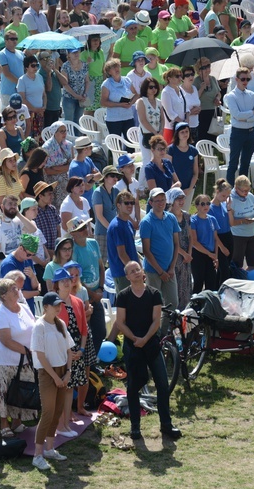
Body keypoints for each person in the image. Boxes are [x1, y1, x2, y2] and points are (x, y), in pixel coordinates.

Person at [115, 260, 182, 441]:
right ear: (127, 277)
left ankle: (166, 425)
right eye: (132, 271)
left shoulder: (154, 294)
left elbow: (156, 321)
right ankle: (135, 426)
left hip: (151, 344)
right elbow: (120, 322)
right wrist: (134, 339)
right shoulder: (123, 296)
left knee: (162, 384)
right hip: (132, 346)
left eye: (138, 269)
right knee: (133, 387)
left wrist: (145, 339)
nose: (136, 272)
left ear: (142, 272)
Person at [30, 291, 74, 470]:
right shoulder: (39, 326)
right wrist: (55, 377)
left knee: (57, 412)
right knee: (48, 412)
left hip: (63, 371)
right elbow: (39, 355)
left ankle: (49, 449)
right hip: (48, 373)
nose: (58, 307)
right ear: (45, 307)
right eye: (55, 305)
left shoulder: (61, 324)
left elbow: (69, 350)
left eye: (60, 304)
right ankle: (37, 455)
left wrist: (68, 371)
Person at [0, 278, 38, 437]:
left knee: (21, 391)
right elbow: (6, 340)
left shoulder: (25, 308)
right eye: (13, 289)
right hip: (5, 362)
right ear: (3, 295)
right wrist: (27, 351)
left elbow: (33, 327)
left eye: (16, 288)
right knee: (5, 393)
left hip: (25, 361)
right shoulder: (1, 314)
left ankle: (17, 421)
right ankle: (4, 424)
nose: (17, 290)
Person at [140, 185, 180, 324]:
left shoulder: (171, 218)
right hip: (153, 270)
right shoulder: (146, 222)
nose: (161, 203)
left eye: (163, 199)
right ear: (150, 202)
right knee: (154, 305)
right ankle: (154, 335)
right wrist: (160, 271)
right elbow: (146, 250)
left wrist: (171, 268)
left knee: (173, 303)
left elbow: (176, 244)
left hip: (169, 270)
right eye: (157, 200)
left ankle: (165, 334)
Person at [67, 216, 106, 356]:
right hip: (82, 296)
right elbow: (76, 277)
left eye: (85, 226)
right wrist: (92, 294)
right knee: (85, 332)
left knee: (101, 331)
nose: (85, 230)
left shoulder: (93, 243)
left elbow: (101, 267)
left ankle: (92, 360)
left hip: (97, 294)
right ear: (73, 234)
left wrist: (100, 288)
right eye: (81, 228)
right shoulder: (73, 250)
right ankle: (87, 362)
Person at [224, 67, 254, 185]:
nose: (245, 81)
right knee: (233, 163)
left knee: (246, 163)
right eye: (243, 79)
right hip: (238, 132)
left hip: (251, 132)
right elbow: (236, 115)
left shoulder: (251, 94)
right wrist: (251, 113)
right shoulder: (231, 96)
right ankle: (228, 190)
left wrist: (246, 117)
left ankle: (242, 189)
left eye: (248, 79)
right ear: (237, 79)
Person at [190, 194, 224, 292]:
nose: (206, 206)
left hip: (211, 254)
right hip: (198, 254)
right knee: (198, 282)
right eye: (203, 204)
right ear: (197, 206)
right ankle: (196, 306)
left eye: (208, 203)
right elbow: (194, 242)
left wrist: (216, 257)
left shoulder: (212, 219)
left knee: (211, 283)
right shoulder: (193, 220)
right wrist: (210, 254)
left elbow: (215, 239)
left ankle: (209, 305)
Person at [228, 175, 254, 272]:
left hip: (252, 233)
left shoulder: (250, 196)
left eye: (248, 190)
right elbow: (231, 223)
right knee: (237, 265)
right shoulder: (231, 201)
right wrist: (243, 221)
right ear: (236, 188)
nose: (246, 193)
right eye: (243, 191)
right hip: (238, 236)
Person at [101, 58, 137, 141]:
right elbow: (103, 102)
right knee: (115, 144)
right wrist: (119, 105)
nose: (116, 69)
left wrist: (131, 103)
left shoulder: (127, 80)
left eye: (117, 66)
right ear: (109, 72)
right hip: (114, 119)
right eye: (113, 68)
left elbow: (136, 94)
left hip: (128, 117)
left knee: (130, 144)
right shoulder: (106, 84)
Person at [93, 166, 121, 264]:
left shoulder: (116, 191)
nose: (115, 178)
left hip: (113, 231)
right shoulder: (98, 192)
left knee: (115, 261)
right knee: (101, 263)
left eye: (116, 176)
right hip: (102, 233)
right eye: (112, 176)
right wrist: (111, 229)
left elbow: (119, 211)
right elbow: (99, 216)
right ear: (105, 177)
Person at [166, 123, 198, 208]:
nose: (185, 134)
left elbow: (195, 173)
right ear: (177, 134)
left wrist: (190, 189)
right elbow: (168, 170)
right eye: (182, 132)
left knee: (185, 212)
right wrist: (175, 186)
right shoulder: (171, 149)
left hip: (189, 188)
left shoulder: (193, 150)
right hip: (174, 187)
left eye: (186, 131)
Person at [209, 180, 233, 286]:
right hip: (219, 238)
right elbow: (213, 232)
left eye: (227, 196)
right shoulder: (210, 208)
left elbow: (231, 223)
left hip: (228, 236)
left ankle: (217, 289)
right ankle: (223, 293)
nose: (225, 199)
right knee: (224, 270)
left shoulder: (224, 205)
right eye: (223, 195)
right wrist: (221, 247)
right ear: (217, 192)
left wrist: (229, 209)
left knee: (226, 268)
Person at [136, 77, 163, 167]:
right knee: (147, 161)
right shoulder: (141, 101)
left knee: (158, 160)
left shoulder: (159, 102)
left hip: (158, 133)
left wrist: (161, 131)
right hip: (146, 133)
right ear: (145, 88)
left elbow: (162, 119)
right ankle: (142, 181)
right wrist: (154, 132)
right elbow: (143, 120)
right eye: (150, 87)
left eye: (155, 87)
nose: (153, 89)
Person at [61, 48, 89, 124]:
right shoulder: (65, 66)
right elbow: (65, 83)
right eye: (73, 53)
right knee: (69, 122)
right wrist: (76, 95)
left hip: (81, 98)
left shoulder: (84, 65)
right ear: (69, 55)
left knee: (79, 122)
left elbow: (87, 81)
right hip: (69, 98)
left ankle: (78, 136)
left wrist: (85, 94)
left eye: (77, 52)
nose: (76, 54)